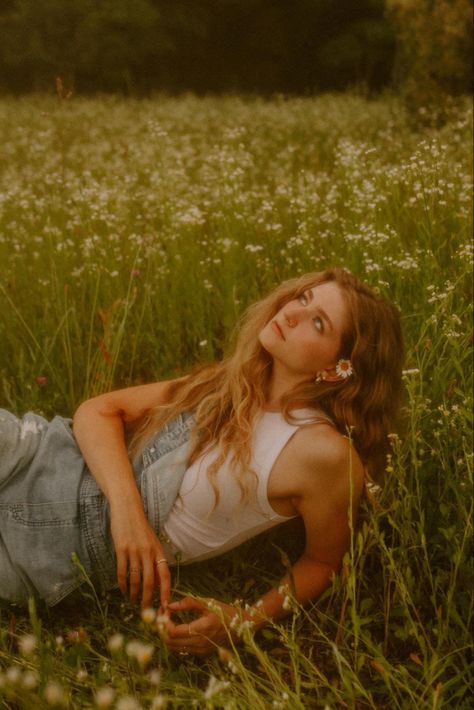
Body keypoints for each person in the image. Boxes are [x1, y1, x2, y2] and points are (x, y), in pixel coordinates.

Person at [0, 267, 403, 656]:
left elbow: (323, 561)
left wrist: (243, 621)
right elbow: (97, 412)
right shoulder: (231, 382)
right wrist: (128, 514)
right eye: (303, 297)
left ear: (337, 370)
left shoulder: (324, 454)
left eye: (318, 323)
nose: (293, 312)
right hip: (35, 452)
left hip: (48, 542)